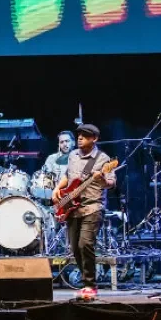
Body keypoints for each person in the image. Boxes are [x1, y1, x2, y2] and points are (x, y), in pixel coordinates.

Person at [51, 124, 116, 300]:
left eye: (85, 135)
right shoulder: (72, 155)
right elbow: (68, 176)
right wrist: (58, 188)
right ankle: (86, 282)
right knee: (75, 248)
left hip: (93, 207)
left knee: (85, 244)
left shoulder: (104, 159)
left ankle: (90, 285)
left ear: (94, 139)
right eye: (79, 134)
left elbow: (110, 183)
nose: (80, 138)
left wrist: (101, 177)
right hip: (73, 208)